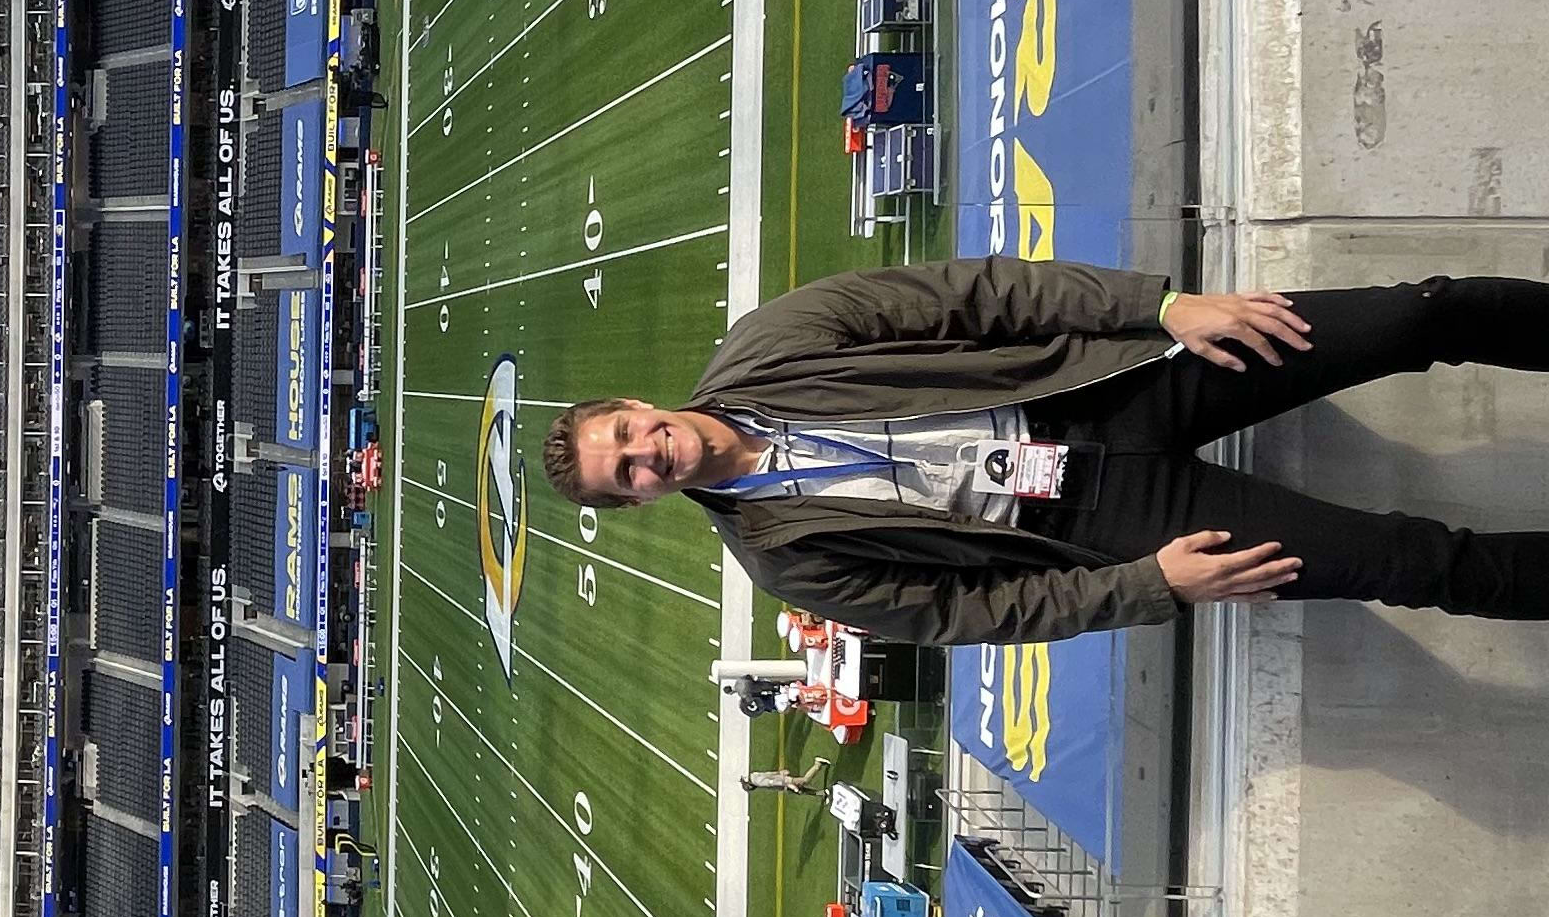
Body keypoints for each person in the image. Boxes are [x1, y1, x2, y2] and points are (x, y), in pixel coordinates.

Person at [536, 259, 1549, 644]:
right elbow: (973, 614)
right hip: (1103, 522)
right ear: (636, 506)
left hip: (1120, 378)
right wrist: (1152, 586)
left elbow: (981, 295)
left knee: (1425, 316)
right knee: (1422, 565)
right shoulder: (783, 557)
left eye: (623, 434)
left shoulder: (773, 340)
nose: (644, 456)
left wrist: (1162, 305)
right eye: (623, 475)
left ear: (633, 403)